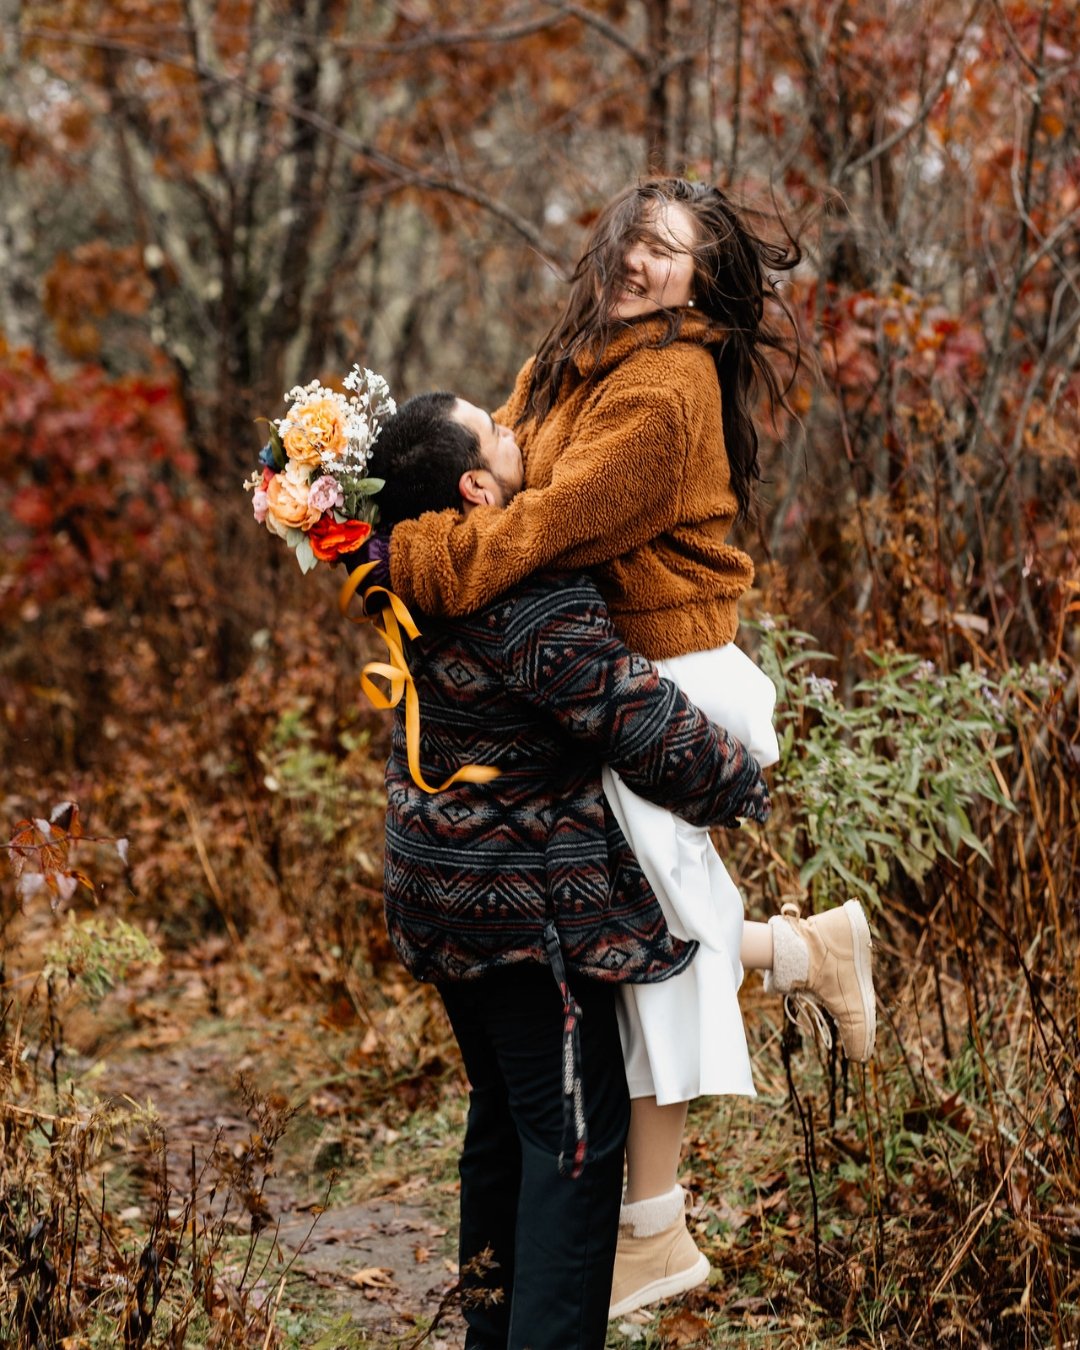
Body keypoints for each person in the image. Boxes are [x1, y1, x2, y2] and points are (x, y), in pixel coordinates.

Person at [367, 178, 877, 1318]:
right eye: (639, 238)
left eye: (673, 253)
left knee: (642, 944)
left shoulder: (665, 389)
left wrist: (414, 560)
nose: (645, 262)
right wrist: (393, 515)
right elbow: (489, 464)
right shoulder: (574, 353)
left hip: (663, 676)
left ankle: (654, 1228)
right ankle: (804, 958)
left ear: (701, 283)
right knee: (639, 930)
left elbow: (542, 521)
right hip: (597, 669)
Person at [359, 390, 773, 1350]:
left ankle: (491, 1336)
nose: (517, 432)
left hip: (442, 898)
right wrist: (744, 779)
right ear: (476, 487)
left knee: (506, 1122)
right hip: (523, 918)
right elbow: (639, 721)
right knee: (575, 1148)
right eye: (497, 432)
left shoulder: (405, 573)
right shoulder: (525, 597)